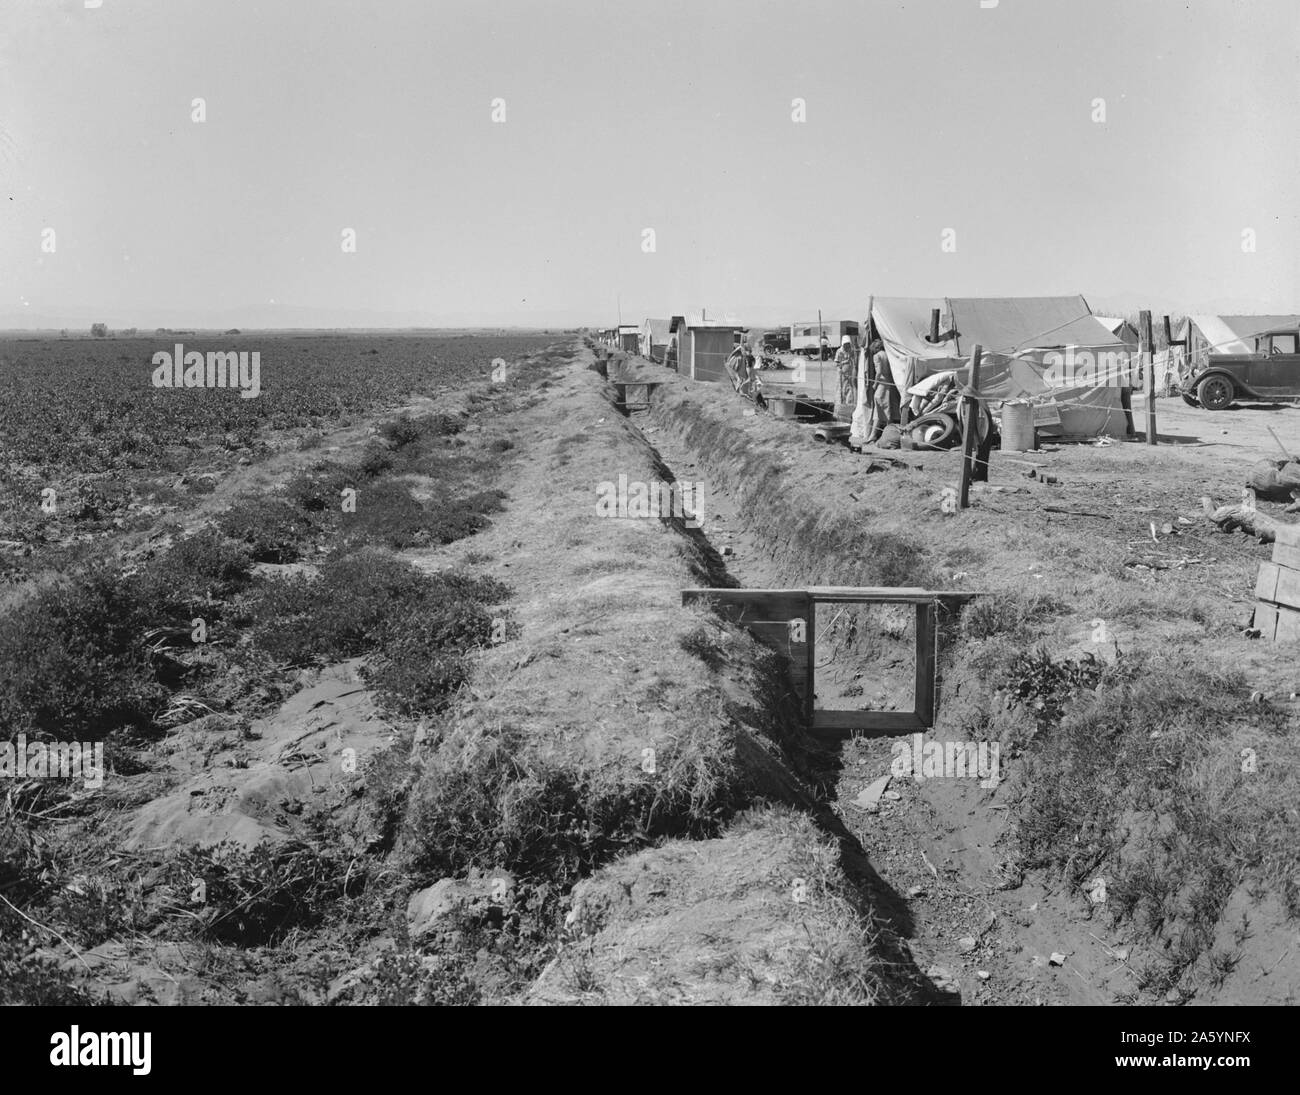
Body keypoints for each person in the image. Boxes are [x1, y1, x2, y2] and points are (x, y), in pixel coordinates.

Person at [866, 339, 899, 444]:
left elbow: (879, 372)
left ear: (875, 348)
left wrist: (875, 384)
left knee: (879, 411)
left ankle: (877, 436)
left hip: (881, 385)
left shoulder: (877, 356)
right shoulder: (887, 355)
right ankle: (876, 435)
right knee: (886, 410)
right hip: (889, 385)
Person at [834, 335, 856, 405]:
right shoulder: (839, 351)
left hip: (850, 373)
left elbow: (853, 360)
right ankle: (841, 403)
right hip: (842, 374)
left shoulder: (851, 350)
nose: (847, 346)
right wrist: (844, 362)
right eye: (846, 344)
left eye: (848, 344)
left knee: (850, 388)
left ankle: (849, 402)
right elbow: (836, 363)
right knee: (842, 388)